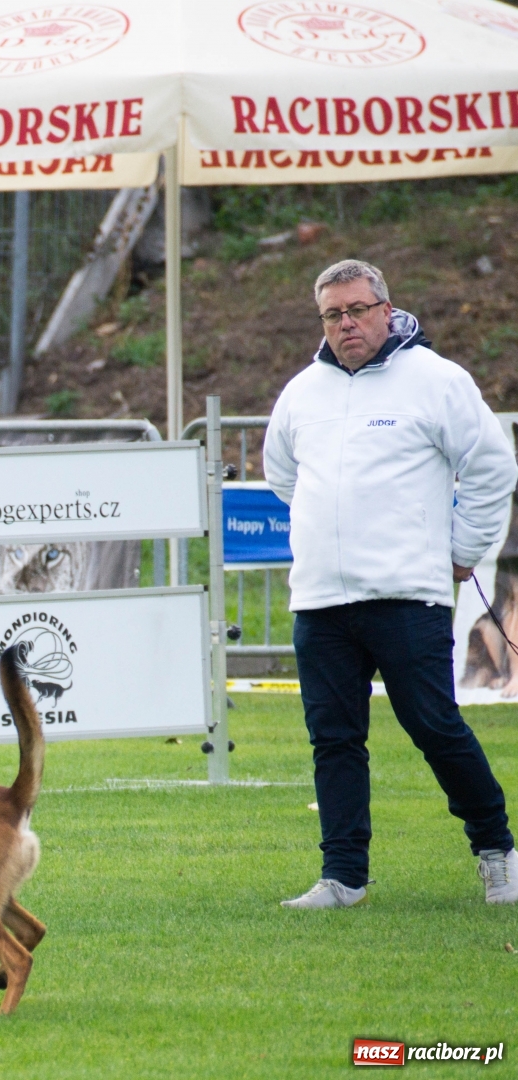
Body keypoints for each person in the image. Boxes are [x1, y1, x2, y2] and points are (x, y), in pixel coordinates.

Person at [264, 258, 518, 909]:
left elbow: (492, 467)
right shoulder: (301, 394)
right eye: (332, 314)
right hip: (321, 601)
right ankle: (343, 876)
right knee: (334, 739)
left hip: (409, 595)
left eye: (356, 309)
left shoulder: (437, 381)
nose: (346, 323)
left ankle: (498, 851)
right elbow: (284, 476)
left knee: (435, 725)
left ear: (385, 308)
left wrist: (462, 550)